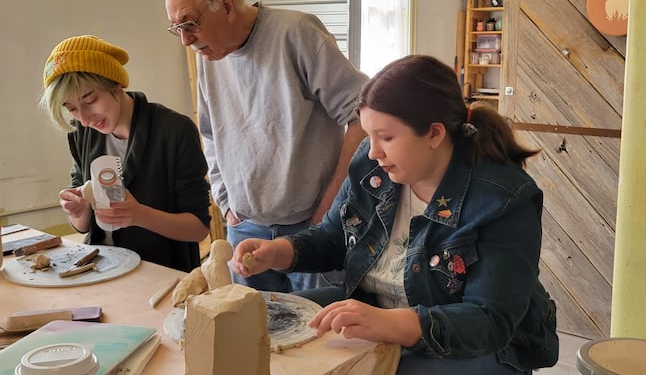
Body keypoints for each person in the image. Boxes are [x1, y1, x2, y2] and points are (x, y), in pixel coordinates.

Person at [231, 55, 559, 373]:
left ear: (434, 133)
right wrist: (281, 251)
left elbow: (490, 321)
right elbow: (335, 235)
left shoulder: (503, 200)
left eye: (386, 137)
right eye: (370, 135)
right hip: (377, 307)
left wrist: (388, 323)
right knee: (262, 325)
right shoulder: (372, 165)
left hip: (479, 343)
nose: (373, 151)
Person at [162, 0, 368, 292]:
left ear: (226, 5)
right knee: (248, 335)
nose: (186, 40)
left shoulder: (296, 33)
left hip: (311, 229)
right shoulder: (208, 57)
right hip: (244, 228)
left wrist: (331, 203)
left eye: (190, 23)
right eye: (177, 28)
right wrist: (226, 201)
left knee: (313, 337)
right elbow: (211, 133)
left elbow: (363, 116)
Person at [39, 35, 211, 272]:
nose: (85, 119)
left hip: (163, 272)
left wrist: (139, 215)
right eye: (72, 109)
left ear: (116, 84)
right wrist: (78, 211)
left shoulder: (174, 131)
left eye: (90, 101)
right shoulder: (81, 133)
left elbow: (199, 228)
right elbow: (83, 225)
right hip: (101, 269)